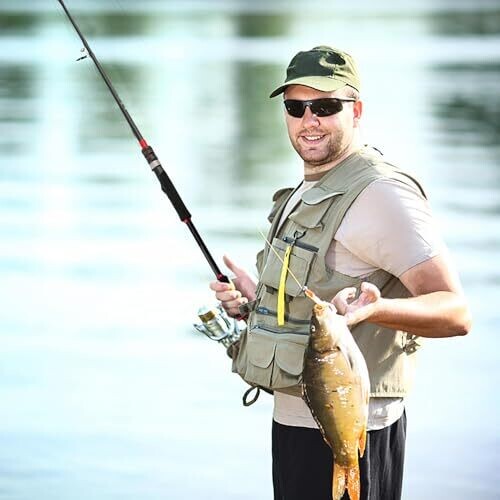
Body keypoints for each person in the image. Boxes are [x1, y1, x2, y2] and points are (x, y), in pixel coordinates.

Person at [209, 46, 471, 500]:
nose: (309, 120)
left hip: (355, 433)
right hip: (293, 426)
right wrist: (258, 303)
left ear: (357, 110)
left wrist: (375, 310)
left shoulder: (381, 193)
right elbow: (315, 293)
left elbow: (456, 312)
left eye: (326, 106)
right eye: (296, 107)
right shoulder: (307, 187)